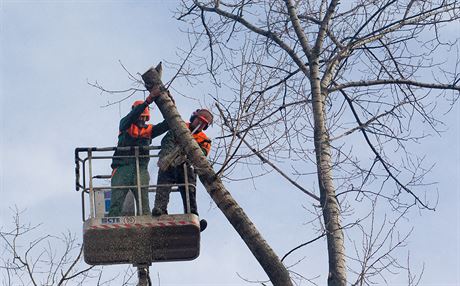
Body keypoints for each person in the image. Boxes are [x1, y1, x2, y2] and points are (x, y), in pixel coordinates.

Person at [108, 87, 168, 216]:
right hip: (122, 167)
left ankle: (145, 224)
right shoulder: (125, 125)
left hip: (140, 169)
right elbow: (131, 117)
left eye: (144, 117)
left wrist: (169, 103)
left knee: (143, 201)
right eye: (140, 116)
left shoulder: (149, 130)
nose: (142, 120)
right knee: (117, 199)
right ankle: (113, 218)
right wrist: (147, 101)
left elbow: (167, 124)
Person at [152, 109, 213, 231]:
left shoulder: (204, 140)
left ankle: (192, 215)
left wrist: (187, 153)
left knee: (189, 190)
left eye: (203, 124)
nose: (199, 124)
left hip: (186, 166)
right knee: (163, 185)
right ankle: (160, 210)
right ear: (193, 118)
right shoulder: (179, 127)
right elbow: (167, 141)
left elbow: (202, 154)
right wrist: (167, 156)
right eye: (198, 121)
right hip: (170, 163)